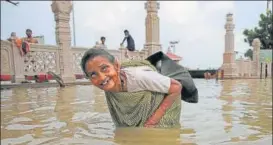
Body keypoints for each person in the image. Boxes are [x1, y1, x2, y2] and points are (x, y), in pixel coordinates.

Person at [81, 48, 182, 128]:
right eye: (93, 74)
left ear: (116, 65)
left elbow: (176, 87)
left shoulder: (139, 77)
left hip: (160, 106)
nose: (101, 77)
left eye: (104, 68)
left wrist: (153, 120)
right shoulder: (109, 85)